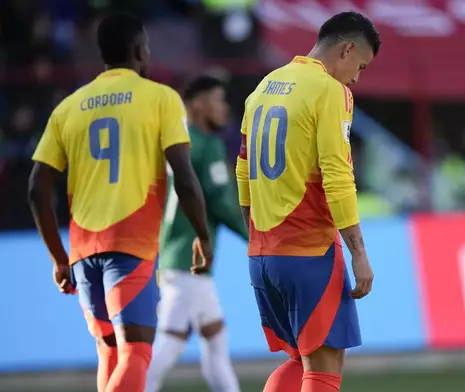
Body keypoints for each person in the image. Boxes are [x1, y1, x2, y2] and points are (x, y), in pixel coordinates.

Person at [27, 13, 213, 392]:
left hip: (82, 250)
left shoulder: (69, 106)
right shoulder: (161, 98)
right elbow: (185, 177)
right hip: (131, 243)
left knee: (109, 351)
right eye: (146, 45)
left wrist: (58, 258)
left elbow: (36, 190)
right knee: (137, 354)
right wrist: (203, 235)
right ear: (137, 50)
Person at [235, 11, 379, 392]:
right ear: (347, 49)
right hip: (310, 250)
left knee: (301, 360)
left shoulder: (265, 85)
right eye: (360, 66)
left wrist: (256, 232)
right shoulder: (330, 91)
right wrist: (359, 253)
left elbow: (243, 169)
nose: (357, 78)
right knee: (324, 366)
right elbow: (337, 176)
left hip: (263, 254)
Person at [145, 76, 246, 392]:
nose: (224, 107)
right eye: (218, 100)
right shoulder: (207, 144)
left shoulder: (174, 141)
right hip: (192, 257)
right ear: (198, 104)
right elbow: (221, 203)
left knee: (215, 339)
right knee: (171, 342)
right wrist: (256, 238)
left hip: (175, 252)